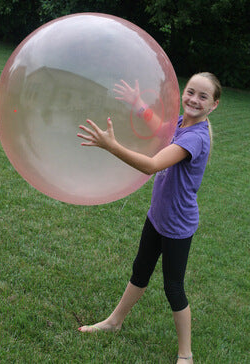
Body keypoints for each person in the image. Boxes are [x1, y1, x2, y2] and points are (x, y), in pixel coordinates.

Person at [77, 72, 221, 364]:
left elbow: (153, 165)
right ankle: (114, 322)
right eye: (190, 91)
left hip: (177, 226)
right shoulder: (182, 123)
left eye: (203, 96)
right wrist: (138, 102)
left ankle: (186, 354)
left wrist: (111, 146)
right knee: (140, 271)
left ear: (214, 105)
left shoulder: (196, 137)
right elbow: (160, 129)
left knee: (174, 288)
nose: (193, 99)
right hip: (157, 216)